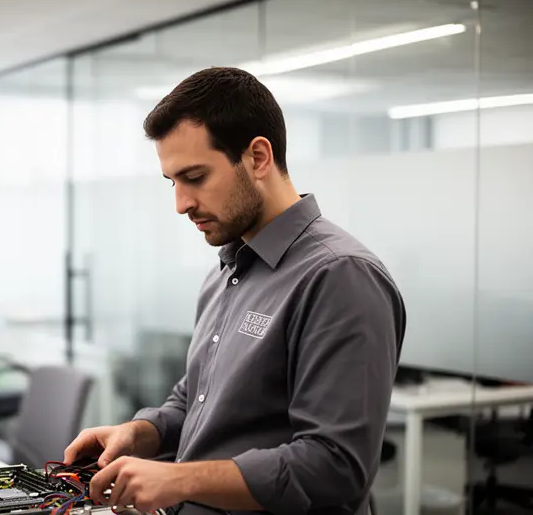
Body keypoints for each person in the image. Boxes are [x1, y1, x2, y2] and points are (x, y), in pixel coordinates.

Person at [63, 67, 406, 515]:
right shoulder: (228, 268)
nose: (181, 204)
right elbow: (198, 401)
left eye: (195, 177)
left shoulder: (340, 276)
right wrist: (141, 432)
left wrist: (178, 479)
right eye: (173, 182)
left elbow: (335, 468)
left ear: (258, 157)